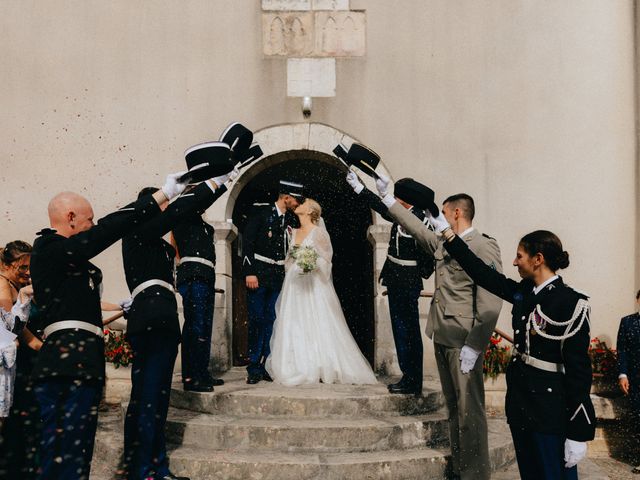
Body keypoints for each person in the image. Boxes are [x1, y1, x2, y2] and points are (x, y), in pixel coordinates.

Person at [29, 172, 186, 480]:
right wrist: (159, 197)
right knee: (57, 452)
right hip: (63, 364)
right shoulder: (48, 247)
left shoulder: (74, 262)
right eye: (89, 220)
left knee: (79, 452)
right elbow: (107, 231)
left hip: (83, 362)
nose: (93, 225)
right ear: (71, 217)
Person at [428, 213, 594, 479]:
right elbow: (482, 273)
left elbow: (579, 372)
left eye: (520, 256)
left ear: (538, 259)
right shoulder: (525, 293)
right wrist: (448, 234)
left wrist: (578, 433)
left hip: (550, 412)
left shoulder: (571, 303)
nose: (515, 261)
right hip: (522, 405)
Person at [375, 178, 503, 480]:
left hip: (463, 342)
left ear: (457, 213)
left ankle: (475, 474)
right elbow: (417, 228)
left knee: (471, 412)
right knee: (455, 410)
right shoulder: (446, 244)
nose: (438, 219)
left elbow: (490, 302)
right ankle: (461, 468)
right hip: (443, 336)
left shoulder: (483, 247)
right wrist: (388, 201)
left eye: (443, 214)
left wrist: (476, 344)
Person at [122, 172, 234, 480]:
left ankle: (147, 463)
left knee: (155, 398)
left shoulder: (156, 243)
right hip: (152, 319)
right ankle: (146, 469)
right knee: (148, 399)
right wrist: (221, 179)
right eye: (161, 206)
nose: (167, 212)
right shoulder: (136, 233)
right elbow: (180, 211)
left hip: (163, 320)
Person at [265, 198, 377, 386]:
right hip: (294, 284)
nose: (298, 204)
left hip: (313, 283)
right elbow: (288, 260)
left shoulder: (319, 233)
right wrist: (294, 266)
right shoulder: (294, 233)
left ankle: (320, 364)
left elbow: (327, 261)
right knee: (295, 323)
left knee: (317, 320)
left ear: (310, 211)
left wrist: (310, 263)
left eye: (303, 203)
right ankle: (298, 365)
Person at [346, 172, 434, 395]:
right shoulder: (403, 214)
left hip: (408, 280)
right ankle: (408, 376)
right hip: (396, 279)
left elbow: (427, 255)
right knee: (400, 329)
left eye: (398, 198)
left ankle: (413, 380)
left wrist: (419, 272)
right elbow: (382, 206)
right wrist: (359, 188)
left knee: (408, 331)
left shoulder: (418, 219)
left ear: (406, 200)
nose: (395, 201)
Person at [242, 180, 302, 384]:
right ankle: (253, 366)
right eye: (296, 200)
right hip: (258, 274)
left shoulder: (289, 221)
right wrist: (249, 272)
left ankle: (267, 363)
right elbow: (247, 243)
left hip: (278, 276)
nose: (297, 204)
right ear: (286, 197)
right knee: (257, 320)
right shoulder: (260, 212)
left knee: (272, 321)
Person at [173, 199, 222, 392]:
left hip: (206, 276)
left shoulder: (207, 228)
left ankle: (202, 372)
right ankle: (191, 377)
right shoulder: (182, 219)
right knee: (196, 327)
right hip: (192, 275)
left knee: (205, 328)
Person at [616, 289, 640, 474]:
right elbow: (622, 350)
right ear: (638, 301)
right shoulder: (628, 322)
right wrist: (623, 374)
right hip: (635, 379)